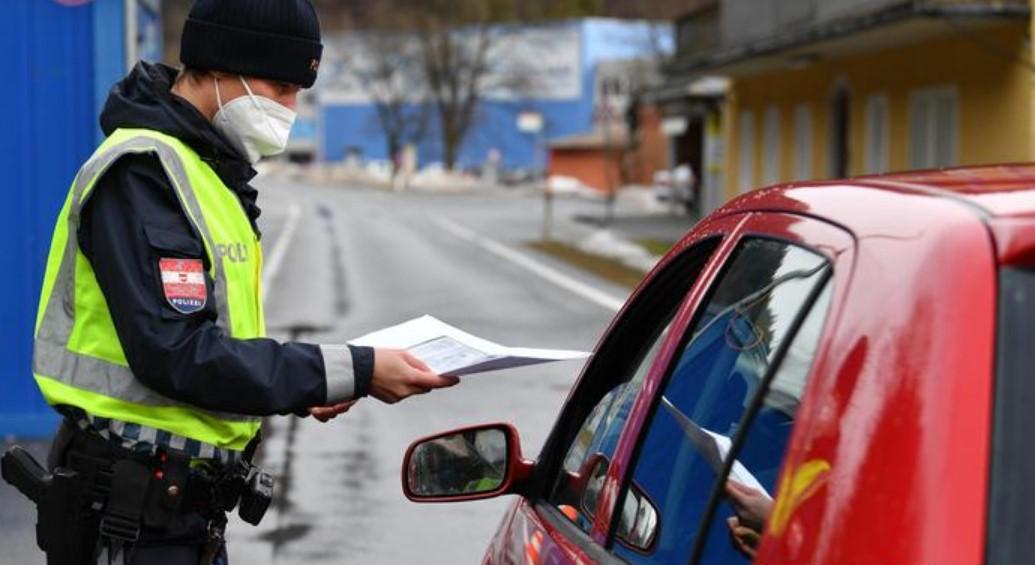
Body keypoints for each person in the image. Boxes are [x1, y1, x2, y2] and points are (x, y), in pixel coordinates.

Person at [21, 0, 458, 563]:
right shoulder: (145, 173)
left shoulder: (207, 172)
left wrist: (309, 387)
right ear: (220, 67)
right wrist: (354, 369)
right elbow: (176, 352)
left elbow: (214, 346)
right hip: (131, 520)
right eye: (280, 88)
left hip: (178, 515)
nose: (291, 108)